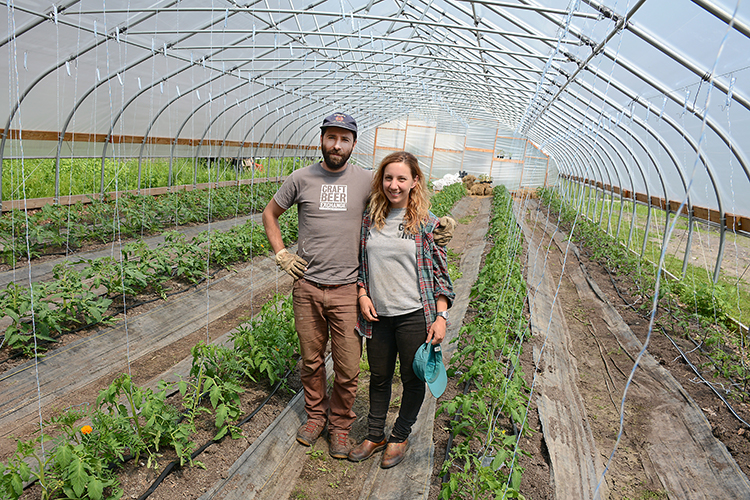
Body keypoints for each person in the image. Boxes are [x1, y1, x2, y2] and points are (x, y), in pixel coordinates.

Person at [262, 113, 455, 459]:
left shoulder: (367, 180)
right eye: (331, 137)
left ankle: (341, 427)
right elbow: (269, 213)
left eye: (345, 139)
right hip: (310, 286)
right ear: (321, 139)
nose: (337, 145)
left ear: (354, 143)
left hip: (350, 290)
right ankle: (315, 418)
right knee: (312, 360)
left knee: (350, 367)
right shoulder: (301, 178)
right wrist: (281, 254)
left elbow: (407, 204)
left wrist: (440, 223)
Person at [349, 151, 454, 469]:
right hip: (378, 314)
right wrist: (362, 293)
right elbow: (359, 263)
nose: (394, 185)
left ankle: (400, 435)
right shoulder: (370, 218)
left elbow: (440, 276)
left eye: (401, 178)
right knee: (379, 377)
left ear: (415, 181)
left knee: (412, 378)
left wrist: (441, 316)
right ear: (381, 180)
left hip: (414, 314)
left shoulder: (427, 223)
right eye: (389, 178)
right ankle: (375, 434)